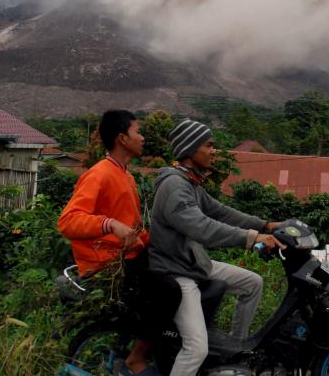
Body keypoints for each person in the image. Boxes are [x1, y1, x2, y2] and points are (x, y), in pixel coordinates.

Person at [149, 119, 285, 376]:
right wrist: (252, 238)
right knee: (196, 348)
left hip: (193, 263)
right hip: (176, 271)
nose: (214, 151)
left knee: (252, 283)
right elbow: (203, 228)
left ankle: (234, 355)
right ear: (191, 149)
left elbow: (220, 211)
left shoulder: (190, 182)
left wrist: (265, 225)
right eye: (209, 145)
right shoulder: (175, 186)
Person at [58, 110, 181, 376]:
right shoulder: (99, 174)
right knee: (169, 290)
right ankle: (136, 358)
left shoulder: (125, 175)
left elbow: (133, 226)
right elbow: (68, 222)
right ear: (122, 138)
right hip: (109, 264)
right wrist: (109, 224)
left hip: (130, 256)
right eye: (138, 132)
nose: (143, 137)